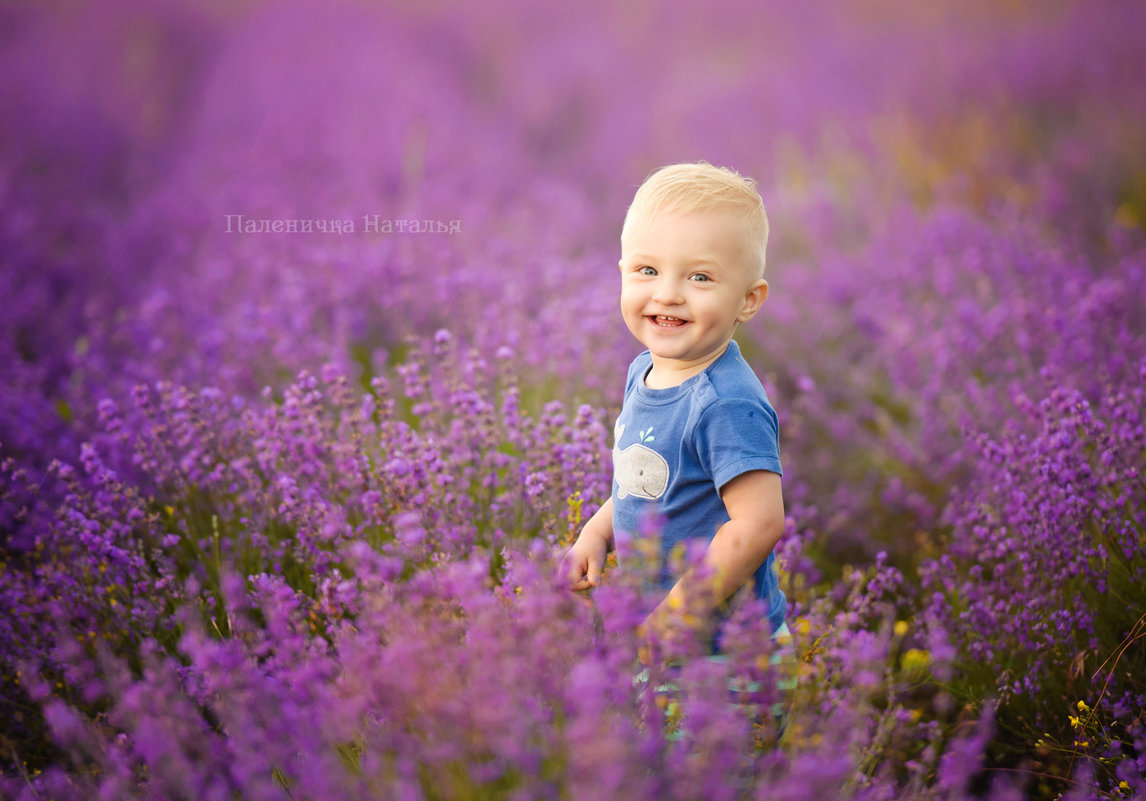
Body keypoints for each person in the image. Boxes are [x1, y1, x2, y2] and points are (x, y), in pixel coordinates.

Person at [560, 162, 793, 729]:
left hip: (727, 655)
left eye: (700, 278)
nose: (667, 294)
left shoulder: (725, 403)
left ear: (749, 299)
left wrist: (684, 613)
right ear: (620, 272)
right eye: (647, 270)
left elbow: (758, 524)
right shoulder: (648, 370)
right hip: (664, 638)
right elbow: (646, 482)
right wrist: (598, 530)